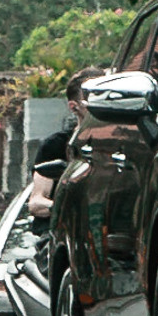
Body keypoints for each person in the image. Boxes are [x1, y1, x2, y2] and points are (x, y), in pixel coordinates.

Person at [27, 66, 106, 220]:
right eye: (92, 99)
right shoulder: (55, 146)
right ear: (73, 106)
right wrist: (63, 207)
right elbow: (36, 202)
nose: (101, 105)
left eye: (105, 97)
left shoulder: (125, 143)